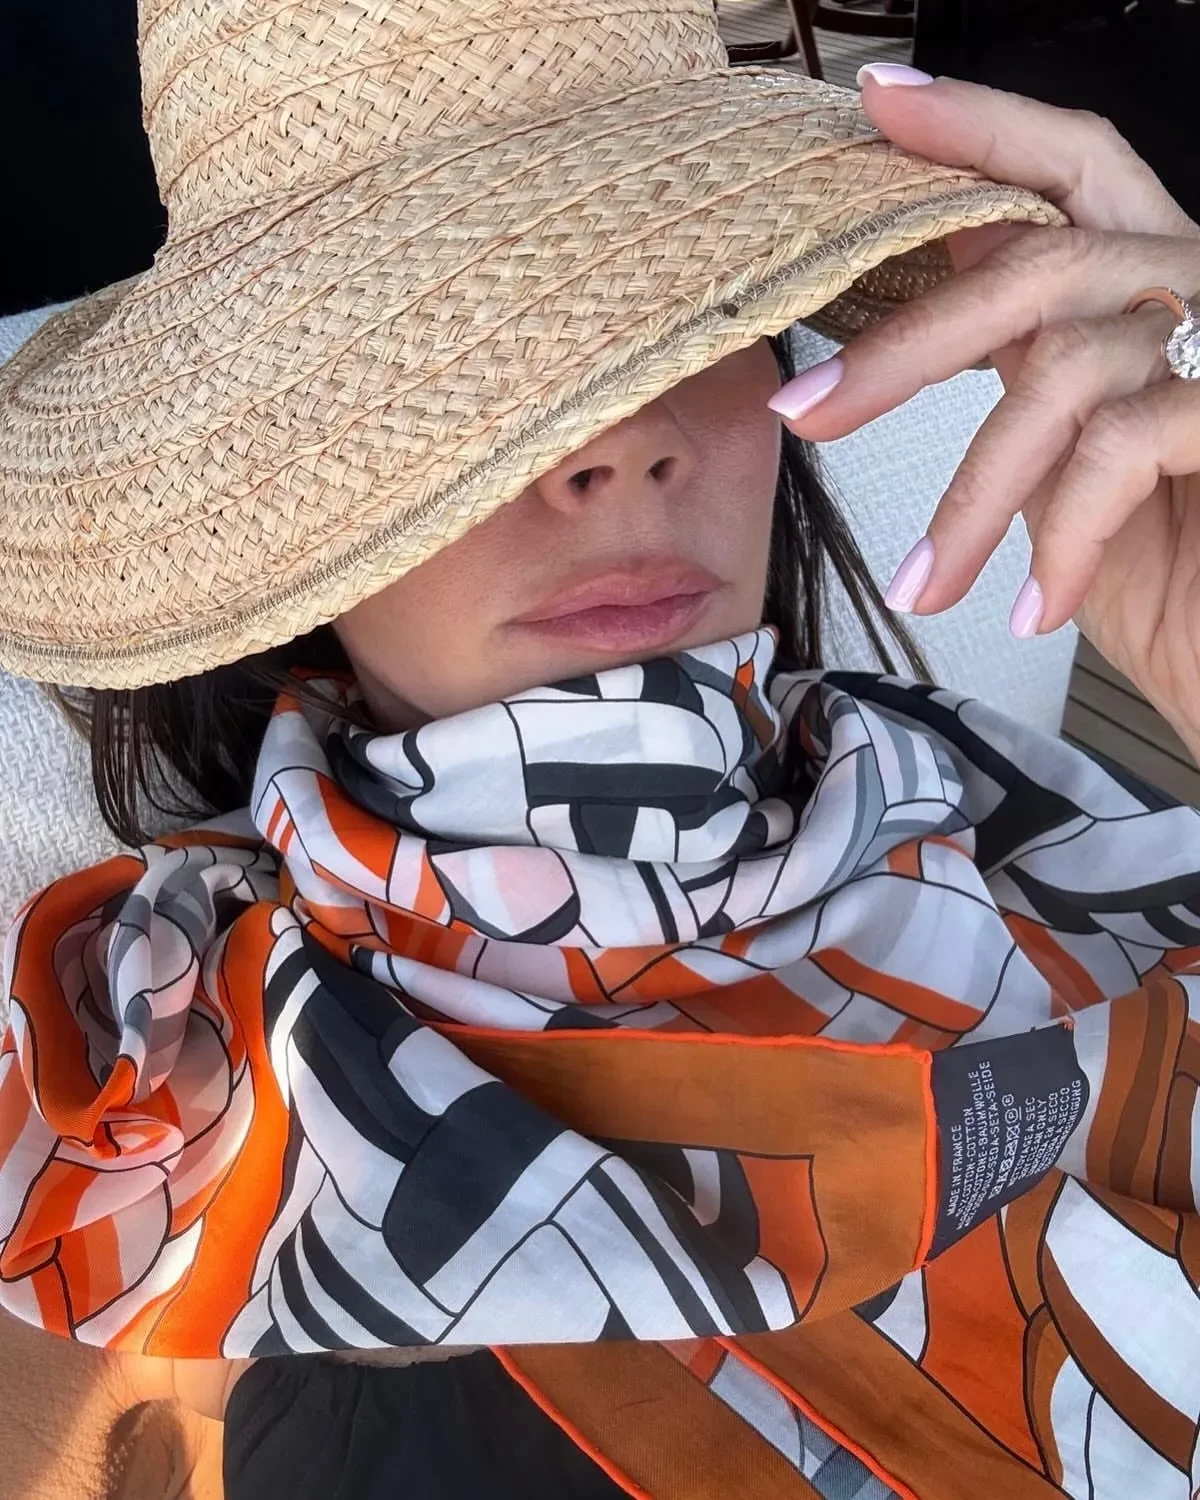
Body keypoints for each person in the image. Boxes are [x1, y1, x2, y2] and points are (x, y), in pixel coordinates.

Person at [0, 2, 1198, 1494]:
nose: (620, 438)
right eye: (439, 342)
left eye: (691, 299)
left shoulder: (1029, 825)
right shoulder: (205, 1136)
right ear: (264, 495)